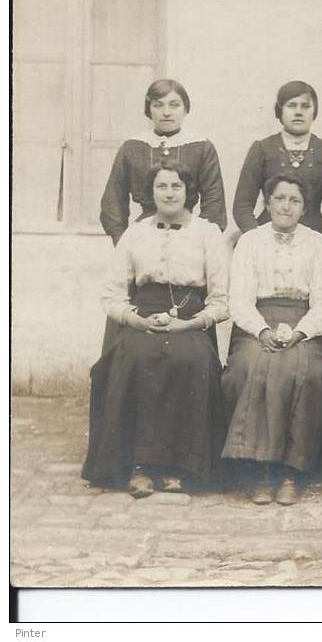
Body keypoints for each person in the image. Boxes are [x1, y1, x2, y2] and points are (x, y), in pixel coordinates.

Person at [83, 159, 230, 497]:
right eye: (161, 186)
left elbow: (221, 302)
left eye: (176, 185)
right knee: (133, 357)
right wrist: (136, 320)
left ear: (188, 191)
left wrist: (189, 324)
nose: (169, 193)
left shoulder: (207, 233)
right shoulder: (135, 233)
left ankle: (179, 466)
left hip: (190, 320)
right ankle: (139, 466)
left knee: (190, 360)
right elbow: (112, 294)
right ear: (150, 193)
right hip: (143, 316)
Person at [221, 175, 322, 506]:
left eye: (294, 200)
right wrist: (262, 331)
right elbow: (239, 300)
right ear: (267, 203)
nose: (286, 206)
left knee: (306, 373)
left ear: (304, 207)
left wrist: (300, 332)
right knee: (248, 367)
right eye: (280, 198)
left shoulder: (316, 243)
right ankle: (258, 471)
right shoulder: (250, 242)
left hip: (304, 326)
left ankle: (290, 472)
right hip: (258, 323)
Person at [99, 79, 227, 245]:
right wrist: (122, 241)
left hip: (189, 237)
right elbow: (113, 200)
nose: (166, 112)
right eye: (158, 105)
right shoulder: (132, 147)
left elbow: (214, 203)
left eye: (174, 105)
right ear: (149, 109)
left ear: (185, 109)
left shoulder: (201, 147)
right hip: (142, 238)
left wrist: (199, 241)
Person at [233, 81, 322, 246]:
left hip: (313, 241)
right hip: (267, 241)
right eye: (291, 106)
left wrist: (321, 244)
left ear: (314, 111)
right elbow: (242, 205)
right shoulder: (262, 149)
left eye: (305, 106)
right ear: (280, 111)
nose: (298, 112)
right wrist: (258, 241)